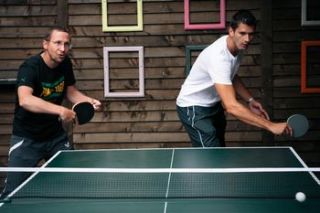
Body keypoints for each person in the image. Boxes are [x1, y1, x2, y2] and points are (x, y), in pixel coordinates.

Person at [0, 26, 101, 197]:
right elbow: (25, 100)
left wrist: (88, 101)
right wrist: (61, 110)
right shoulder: (30, 67)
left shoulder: (65, 64)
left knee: (75, 183)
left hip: (55, 138)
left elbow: (70, 92)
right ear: (45, 44)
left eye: (66, 44)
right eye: (58, 43)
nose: (63, 49)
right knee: (12, 194)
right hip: (27, 139)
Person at [176, 10, 291, 147]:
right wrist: (271, 126)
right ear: (231, 31)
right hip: (192, 106)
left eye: (251, 34)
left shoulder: (238, 47)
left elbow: (231, 75)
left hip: (213, 104)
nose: (247, 39)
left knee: (219, 148)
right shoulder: (219, 57)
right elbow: (231, 107)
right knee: (210, 153)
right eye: (242, 33)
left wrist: (250, 99)